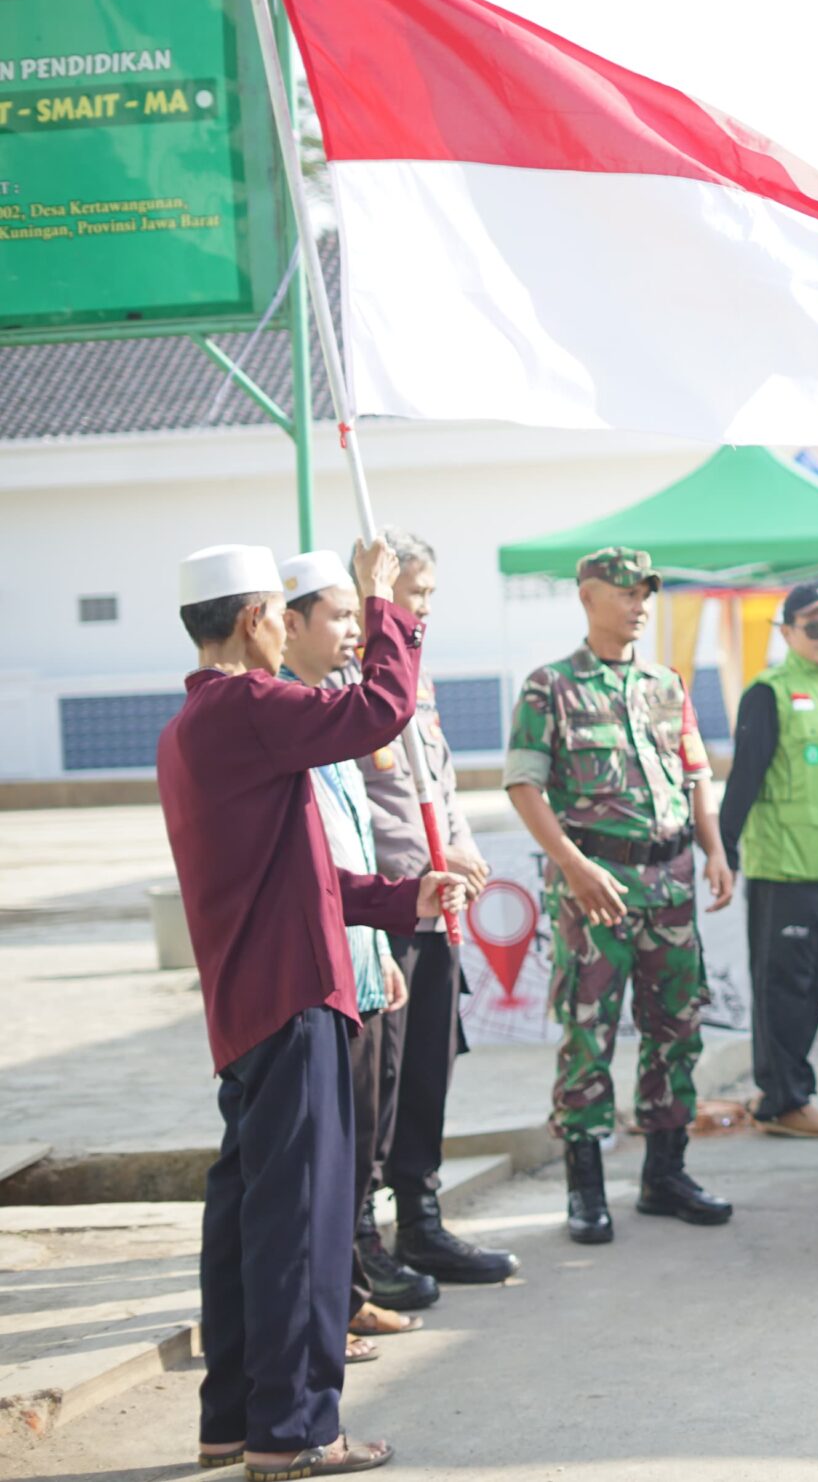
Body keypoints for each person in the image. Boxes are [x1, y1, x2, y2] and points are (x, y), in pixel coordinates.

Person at [159, 539, 464, 1477]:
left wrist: (392, 900)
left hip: (259, 1000)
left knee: (249, 1216)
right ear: (258, 619)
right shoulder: (248, 705)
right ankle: (293, 1432)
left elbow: (302, 871)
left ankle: (237, 1418)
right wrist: (386, 605)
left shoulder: (195, 723)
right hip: (292, 997)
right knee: (302, 1224)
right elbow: (381, 709)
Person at [506, 546, 737, 1243]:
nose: (639, 604)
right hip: (595, 889)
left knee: (677, 1029)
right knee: (589, 1033)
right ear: (588, 596)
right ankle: (585, 1190)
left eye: (646, 593)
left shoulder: (667, 685)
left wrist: (715, 848)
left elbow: (696, 777)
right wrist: (572, 866)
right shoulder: (551, 686)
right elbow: (524, 785)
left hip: (670, 882)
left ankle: (665, 1176)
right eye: (626, 591)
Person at [337, 530, 514, 1292]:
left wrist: (465, 848)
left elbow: (440, 789)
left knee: (430, 1073)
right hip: (387, 909)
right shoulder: (343, 688)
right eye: (413, 594)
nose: (424, 610)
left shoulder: (419, 683)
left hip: (439, 905)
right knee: (380, 1082)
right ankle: (362, 1242)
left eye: (432, 596)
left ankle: (422, 1219)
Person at [277, 551, 422, 1359]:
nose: (348, 633)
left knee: (364, 1140)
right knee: (324, 1160)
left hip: (361, 951)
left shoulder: (326, 703)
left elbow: (350, 839)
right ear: (285, 622)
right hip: (315, 969)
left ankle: (350, 1294)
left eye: (352, 617)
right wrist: (382, 599)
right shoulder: (281, 715)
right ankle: (326, 1313)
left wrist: (379, 947)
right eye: (337, 617)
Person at [717, 581, 818, 1139]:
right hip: (782, 869)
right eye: (814, 626)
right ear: (786, 633)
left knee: (815, 984)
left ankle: (783, 1095)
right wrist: (724, 850)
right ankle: (785, 1098)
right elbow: (745, 776)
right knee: (782, 989)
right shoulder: (768, 693)